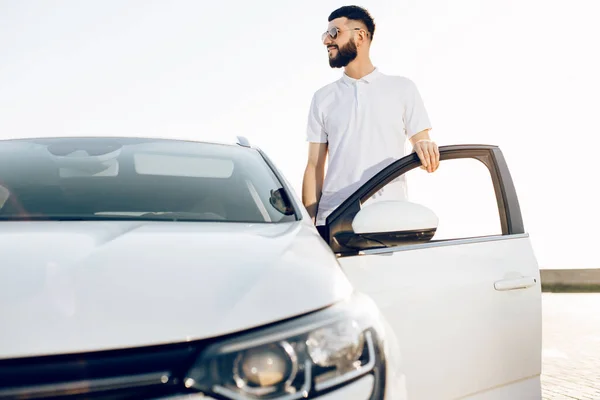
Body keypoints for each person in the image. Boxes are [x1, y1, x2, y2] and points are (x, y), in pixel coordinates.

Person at [302, 5, 440, 240]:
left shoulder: (402, 88)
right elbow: (315, 165)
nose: (326, 41)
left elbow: (422, 140)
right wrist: (308, 227)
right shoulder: (322, 98)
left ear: (360, 36)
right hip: (335, 222)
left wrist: (425, 145)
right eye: (325, 35)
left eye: (334, 33)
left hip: (389, 220)